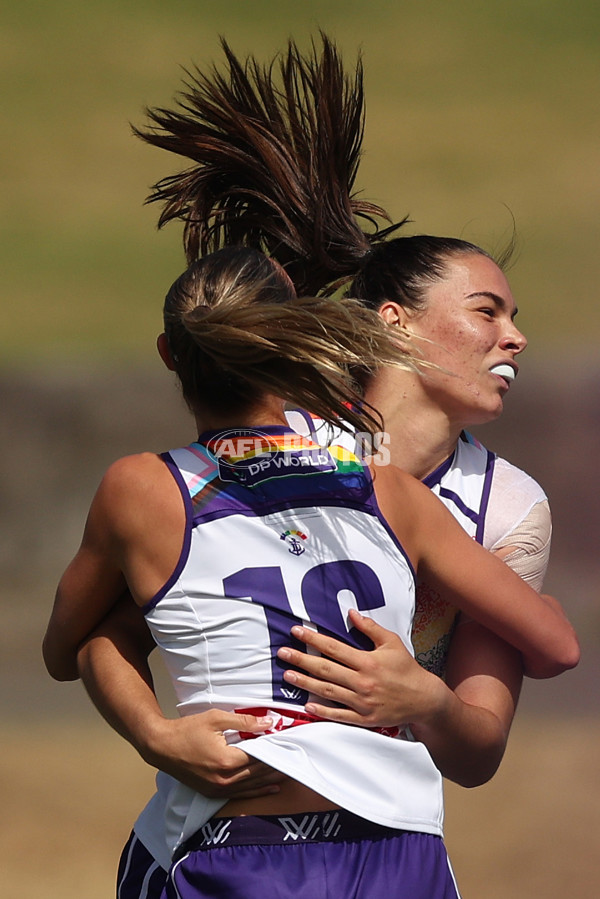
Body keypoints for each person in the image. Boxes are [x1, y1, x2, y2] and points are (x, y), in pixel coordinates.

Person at [45, 37, 579, 898]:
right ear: (396, 323)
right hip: (331, 843)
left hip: (358, 831)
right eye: (486, 311)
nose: (515, 336)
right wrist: (154, 729)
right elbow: (114, 630)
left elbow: (485, 742)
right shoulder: (360, 476)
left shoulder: (502, 504)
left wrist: (424, 697)